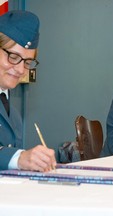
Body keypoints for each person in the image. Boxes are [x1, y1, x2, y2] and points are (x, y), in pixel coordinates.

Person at [0, 10, 56, 171]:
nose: (20, 69)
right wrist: (18, 158)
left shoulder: (12, 113)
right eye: (14, 57)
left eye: (27, 62)